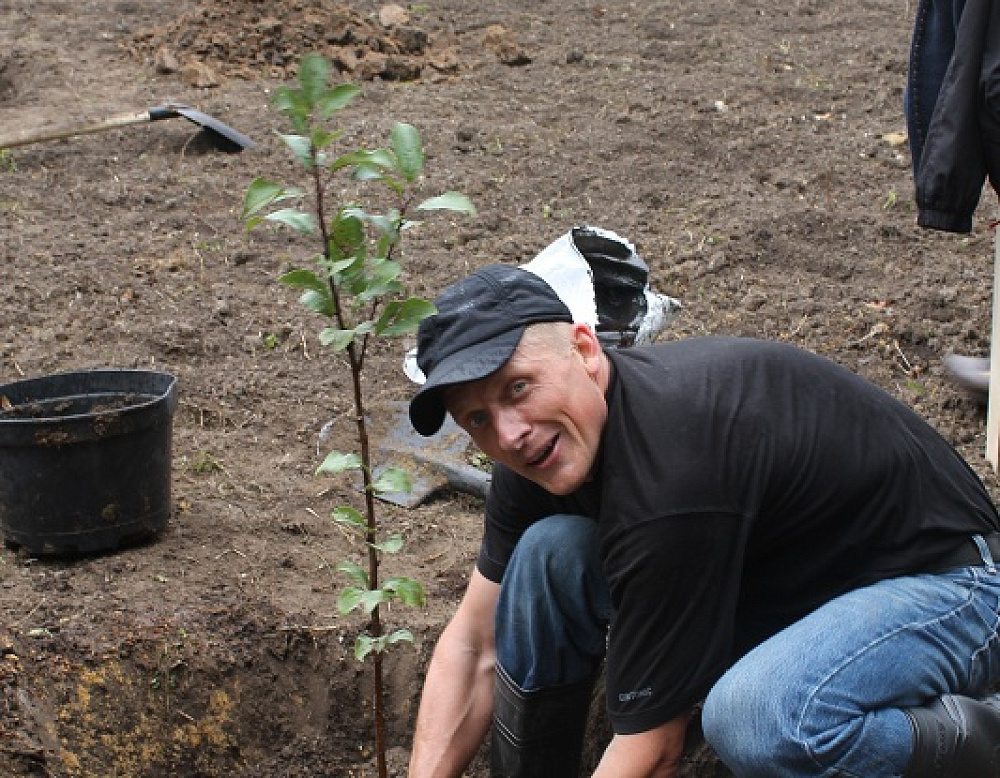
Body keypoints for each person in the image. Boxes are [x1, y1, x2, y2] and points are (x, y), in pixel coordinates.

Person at [404, 263, 1000, 778]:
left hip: (952, 587)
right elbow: (475, 640)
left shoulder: (671, 472)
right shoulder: (533, 451)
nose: (507, 433)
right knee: (548, 557)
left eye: (519, 388)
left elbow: (652, 751)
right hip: (792, 593)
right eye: (478, 419)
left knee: (759, 719)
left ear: (585, 352)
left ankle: (983, 735)